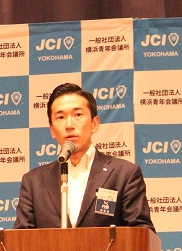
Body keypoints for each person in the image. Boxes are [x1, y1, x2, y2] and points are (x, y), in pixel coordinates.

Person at [14, 83, 155, 231]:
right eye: (60, 117)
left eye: (78, 115)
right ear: (52, 130)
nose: (69, 125)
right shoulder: (33, 182)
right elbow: (20, 241)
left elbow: (141, 233)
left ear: (95, 123)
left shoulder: (124, 174)